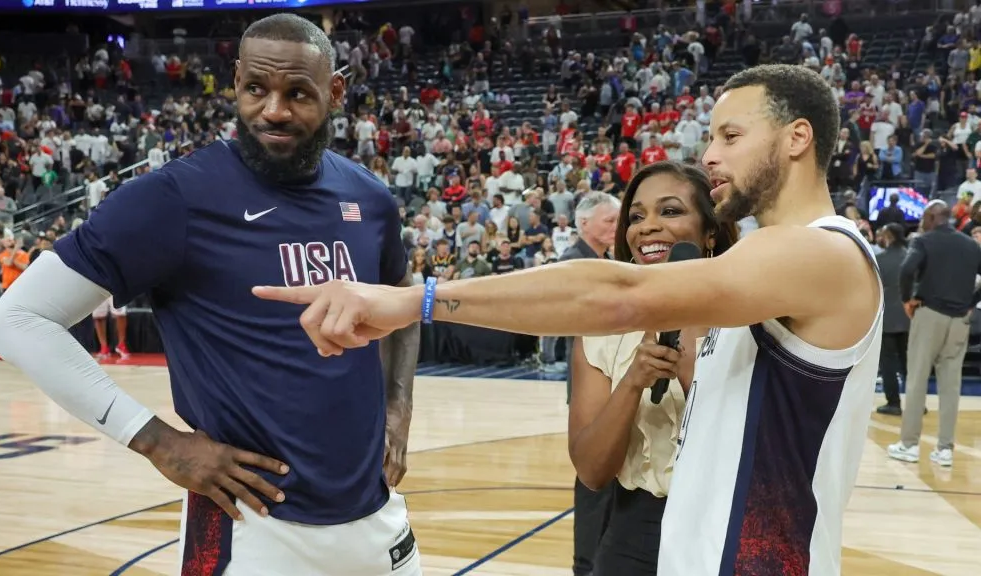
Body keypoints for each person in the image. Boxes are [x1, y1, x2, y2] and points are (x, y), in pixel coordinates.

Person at [255, 64, 885, 575]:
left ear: (796, 138)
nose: (709, 154)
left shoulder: (821, 249)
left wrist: (412, 300)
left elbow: (617, 294)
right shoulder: (763, 268)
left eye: (730, 135)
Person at [0, 14, 422, 576]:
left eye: (298, 93)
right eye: (256, 89)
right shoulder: (174, 199)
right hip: (251, 530)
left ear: (335, 90)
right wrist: (158, 442)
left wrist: (398, 404)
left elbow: (403, 300)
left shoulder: (369, 197)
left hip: (377, 522)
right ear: (235, 80)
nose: (274, 110)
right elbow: (17, 319)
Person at [571, 161, 737, 576]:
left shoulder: (750, 322)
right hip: (635, 533)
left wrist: (688, 370)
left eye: (670, 211)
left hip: (731, 527)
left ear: (710, 231)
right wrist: (631, 383)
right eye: (636, 216)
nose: (646, 227)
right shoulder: (601, 333)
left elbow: (760, 451)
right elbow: (592, 472)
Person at [888, 200, 981, 467]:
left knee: (917, 380)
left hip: (930, 315)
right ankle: (945, 450)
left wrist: (907, 299)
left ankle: (909, 444)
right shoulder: (971, 245)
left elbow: (907, 270)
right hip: (960, 321)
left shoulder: (924, 240)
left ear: (930, 217)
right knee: (951, 387)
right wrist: (971, 302)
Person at [556, 190, 620, 576]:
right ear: (583, 225)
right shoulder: (572, 263)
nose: (616, 226)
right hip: (589, 381)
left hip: (608, 379)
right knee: (592, 477)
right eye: (608, 221)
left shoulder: (604, 260)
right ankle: (586, 563)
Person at [874, 223, 910, 415]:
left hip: (887, 318)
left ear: (890, 237)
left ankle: (893, 403)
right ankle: (916, 404)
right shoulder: (911, 256)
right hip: (910, 318)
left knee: (888, 363)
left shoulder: (879, 259)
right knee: (910, 363)